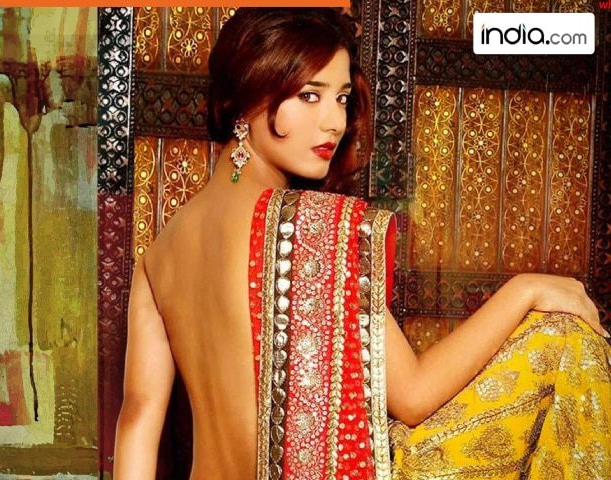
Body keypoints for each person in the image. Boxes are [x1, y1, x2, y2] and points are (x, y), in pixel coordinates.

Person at [113, 8, 611, 480]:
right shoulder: (313, 228)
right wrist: (525, 290)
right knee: (560, 338)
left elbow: (138, 418)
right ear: (247, 96)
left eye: (342, 98)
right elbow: (413, 395)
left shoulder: (160, 253)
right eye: (310, 95)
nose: (333, 121)